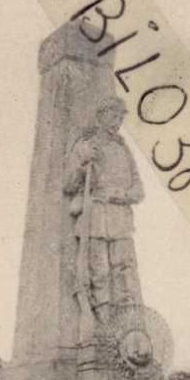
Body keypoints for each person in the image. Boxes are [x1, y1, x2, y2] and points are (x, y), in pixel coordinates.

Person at [63, 97, 144, 327]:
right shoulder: (85, 146)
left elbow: (139, 190)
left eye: (120, 117)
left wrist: (121, 195)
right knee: (98, 271)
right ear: (100, 116)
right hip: (95, 216)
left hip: (120, 219)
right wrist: (82, 164)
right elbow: (68, 185)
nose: (117, 122)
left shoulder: (123, 149)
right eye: (113, 116)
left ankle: (122, 326)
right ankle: (102, 323)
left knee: (122, 271)